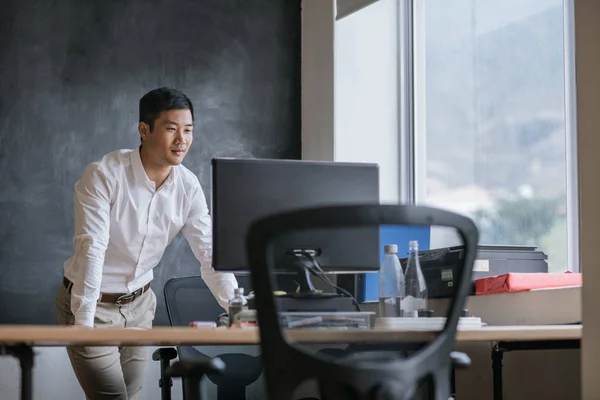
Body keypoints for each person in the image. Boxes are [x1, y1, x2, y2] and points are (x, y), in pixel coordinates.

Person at [55, 87, 238, 400]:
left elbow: (209, 254)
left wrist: (239, 310)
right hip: (92, 305)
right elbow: (92, 249)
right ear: (144, 130)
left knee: (133, 394)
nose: (182, 140)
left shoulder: (188, 185)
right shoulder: (103, 175)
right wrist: (83, 326)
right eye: (171, 129)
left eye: (188, 130)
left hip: (140, 306)